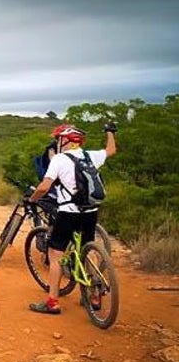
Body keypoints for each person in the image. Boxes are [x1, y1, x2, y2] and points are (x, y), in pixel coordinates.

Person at [26, 122, 117, 314]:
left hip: (69, 212)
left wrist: (32, 199)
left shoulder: (59, 159)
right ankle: (93, 295)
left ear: (65, 140)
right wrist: (110, 131)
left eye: (58, 139)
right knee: (88, 249)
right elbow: (111, 150)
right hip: (91, 212)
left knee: (55, 254)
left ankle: (52, 302)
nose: (57, 142)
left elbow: (44, 186)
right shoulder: (90, 156)